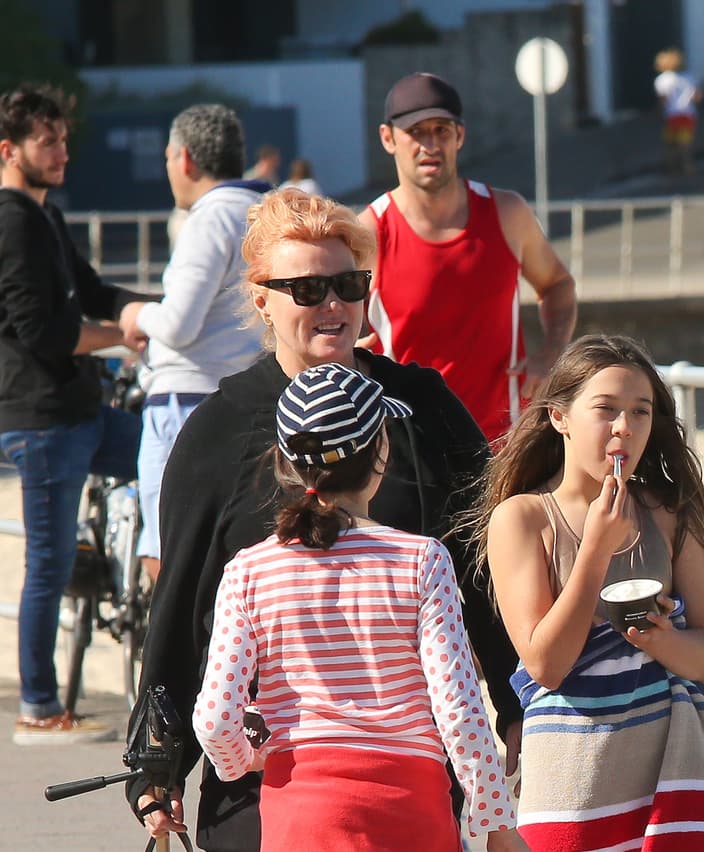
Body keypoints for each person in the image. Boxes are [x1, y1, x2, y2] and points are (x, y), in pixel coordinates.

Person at [128, 189, 524, 851]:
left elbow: (485, 570)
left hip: (406, 774)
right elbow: (180, 607)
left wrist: (516, 702)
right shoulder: (216, 433)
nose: (334, 304)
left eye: (348, 283)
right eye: (309, 288)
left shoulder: (422, 407)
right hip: (264, 780)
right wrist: (157, 764)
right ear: (262, 299)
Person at [193, 362, 524, 851]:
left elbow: (215, 718)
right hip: (411, 809)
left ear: (283, 462)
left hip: (300, 812)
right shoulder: (422, 560)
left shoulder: (249, 571)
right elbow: (458, 709)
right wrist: (495, 823)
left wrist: (242, 760)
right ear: (382, 452)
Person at [478, 334, 704, 851]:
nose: (624, 428)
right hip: (571, 769)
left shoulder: (670, 512)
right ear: (559, 416)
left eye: (641, 412)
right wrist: (594, 550)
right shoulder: (522, 519)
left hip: (670, 765)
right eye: (605, 409)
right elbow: (546, 665)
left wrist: (656, 638)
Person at [0, 83, 153, 744]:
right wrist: (123, 334)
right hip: (42, 420)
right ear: (9, 150)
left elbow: (93, 289)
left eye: (64, 138)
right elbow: (45, 332)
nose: (62, 150)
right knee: (48, 565)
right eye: (47, 140)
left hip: (81, 412)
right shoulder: (10, 220)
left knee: (168, 456)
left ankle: (131, 572)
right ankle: (38, 706)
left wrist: (158, 310)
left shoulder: (46, 215)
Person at [358, 72, 578, 444]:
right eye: (416, 132)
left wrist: (550, 353)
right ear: (388, 138)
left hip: (502, 445)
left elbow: (558, 285)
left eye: (441, 130)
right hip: (411, 450)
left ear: (459, 136)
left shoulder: (507, 213)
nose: (430, 144)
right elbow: (332, 323)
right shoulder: (369, 232)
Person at [117, 104, 268, 583]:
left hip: (186, 400)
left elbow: (180, 323)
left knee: (168, 551)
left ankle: (175, 656)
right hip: (253, 399)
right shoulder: (267, 212)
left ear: (185, 159)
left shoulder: (212, 217)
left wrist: (136, 313)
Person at [653, 47, 702, 178]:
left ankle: (672, 168)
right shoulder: (688, 77)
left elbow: (663, 100)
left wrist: (659, 112)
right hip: (687, 114)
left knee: (671, 143)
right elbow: (697, 96)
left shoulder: (661, 80)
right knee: (686, 143)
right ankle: (688, 166)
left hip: (672, 115)